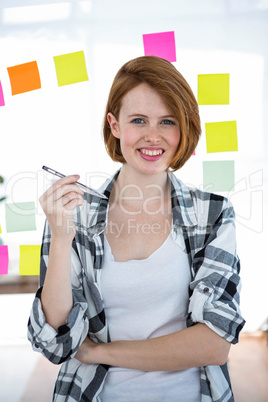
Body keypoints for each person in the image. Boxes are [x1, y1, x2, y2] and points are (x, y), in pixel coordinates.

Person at [28, 56, 245, 401]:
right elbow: (55, 340)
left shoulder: (212, 215)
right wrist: (61, 236)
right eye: (139, 120)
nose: (153, 136)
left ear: (184, 127)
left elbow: (214, 345)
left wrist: (100, 352)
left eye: (167, 121)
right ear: (115, 125)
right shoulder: (73, 217)